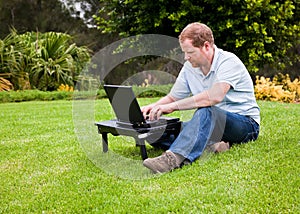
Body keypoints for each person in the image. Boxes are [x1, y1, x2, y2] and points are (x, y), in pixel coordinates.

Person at [141, 22, 260, 173]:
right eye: (184, 52)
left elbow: (214, 97)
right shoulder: (190, 67)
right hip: (209, 124)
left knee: (207, 111)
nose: (186, 57)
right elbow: (173, 97)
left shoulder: (229, 62)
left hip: (244, 124)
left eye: (190, 52)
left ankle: (172, 160)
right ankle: (213, 145)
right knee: (159, 130)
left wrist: (172, 107)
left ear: (206, 46)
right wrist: (154, 108)